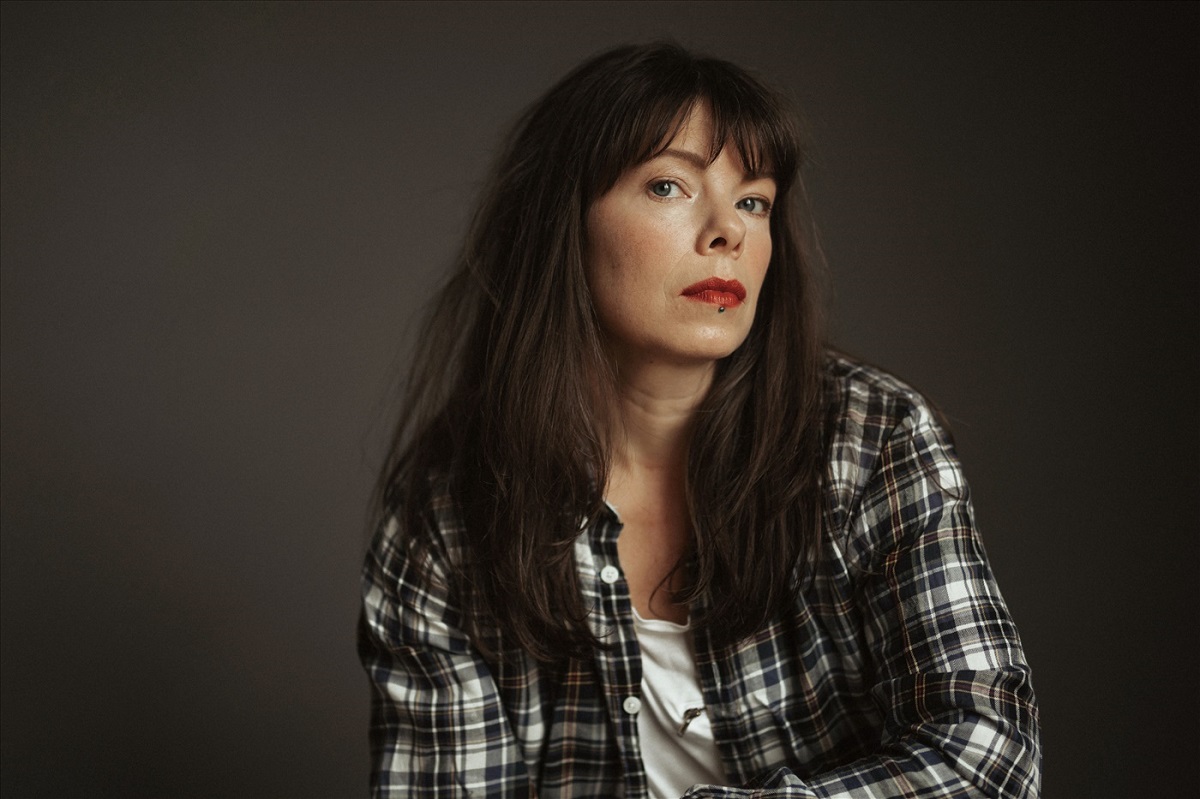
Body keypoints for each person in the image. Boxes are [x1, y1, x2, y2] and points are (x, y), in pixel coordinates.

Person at [358, 42, 1040, 798]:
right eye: (670, 186)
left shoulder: (874, 440)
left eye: (754, 200)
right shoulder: (450, 503)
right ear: (562, 224)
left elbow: (988, 759)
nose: (730, 233)